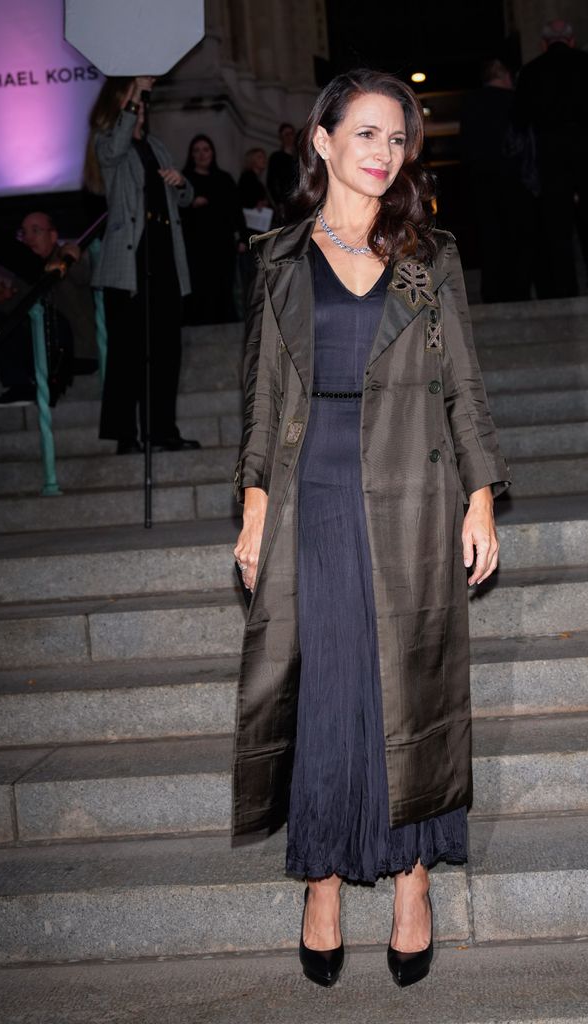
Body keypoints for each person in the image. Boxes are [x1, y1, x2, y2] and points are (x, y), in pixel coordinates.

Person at [232, 69, 510, 989]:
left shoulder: (431, 257)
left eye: (397, 140)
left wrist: (478, 496)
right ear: (321, 142)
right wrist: (253, 508)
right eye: (366, 136)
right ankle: (318, 876)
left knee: (412, 694)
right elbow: (264, 399)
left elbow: (463, 384)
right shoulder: (277, 259)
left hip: (412, 496)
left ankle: (412, 879)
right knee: (325, 695)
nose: (384, 155)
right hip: (311, 495)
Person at [85, 76, 200, 454]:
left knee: (167, 352)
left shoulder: (156, 147)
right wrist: (134, 89)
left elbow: (185, 198)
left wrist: (181, 183)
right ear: (119, 107)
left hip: (165, 255)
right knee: (127, 353)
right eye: (136, 103)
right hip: (129, 263)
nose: (142, 109)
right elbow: (113, 151)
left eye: (144, 103)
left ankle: (161, 430)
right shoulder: (109, 144)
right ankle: (125, 435)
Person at [514, 19, 588, 297]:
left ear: (545, 43)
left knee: (557, 225)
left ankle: (564, 286)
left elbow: (520, 120)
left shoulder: (531, 72)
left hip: (552, 157)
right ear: (571, 40)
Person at [0, 211, 90, 408]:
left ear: (53, 236)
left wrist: (68, 258)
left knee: (47, 317)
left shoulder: (68, 257)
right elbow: (18, 314)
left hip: (74, 352)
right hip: (43, 349)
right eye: (23, 233)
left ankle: (38, 385)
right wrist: (0, 300)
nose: (28, 238)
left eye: (35, 231)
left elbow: (85, 276)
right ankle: (20, 387)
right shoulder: (25, 268)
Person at [460, 58, 535, 302]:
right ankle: (518, 290)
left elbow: (466, 145)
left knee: (490, 237)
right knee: (518, 237)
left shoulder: (470, 103)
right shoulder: (515, 101)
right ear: (506, 77)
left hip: (482, 181)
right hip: (513, 180)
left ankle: (492, 291)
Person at [181, 134, 247, 325]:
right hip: (195, 246)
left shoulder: (224, 178)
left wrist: (243, 238)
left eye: (206, 149)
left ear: (212, 153)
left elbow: (236, 210)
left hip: (222, 244)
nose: (202, 154)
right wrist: (190, 203)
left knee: (223, 284)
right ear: (191, 155)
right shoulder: (185, 180)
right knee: (199, 285)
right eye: (197, 150)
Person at [267, 123, 298, 225]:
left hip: (300, 199)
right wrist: (279, 202)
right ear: (281, 137)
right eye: (286, 134)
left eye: (291, 133)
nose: (289, 136)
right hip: (285, 202)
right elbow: (271, 181)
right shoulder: (276, 157)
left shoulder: (300, 157)